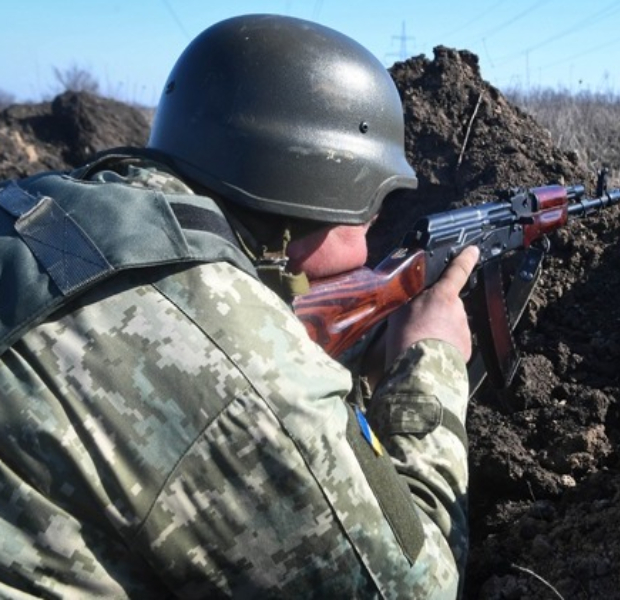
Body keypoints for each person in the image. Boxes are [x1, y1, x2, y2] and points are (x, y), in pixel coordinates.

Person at [0, 14, 477, 598]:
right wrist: (433, 363)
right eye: (372, 210)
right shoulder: (242, 374)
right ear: (317, 190)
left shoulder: (52, 208)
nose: (373, 235)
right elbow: (414, 587)